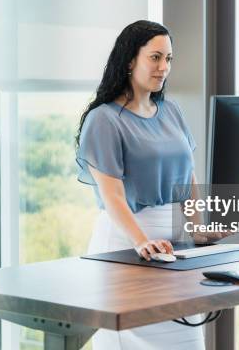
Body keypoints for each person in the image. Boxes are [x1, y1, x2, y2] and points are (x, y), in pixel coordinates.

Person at [75, 20, 227, 350]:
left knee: (187, 340)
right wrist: (142, 241)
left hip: (173, 246)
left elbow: (189, 177)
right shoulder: (103, 119)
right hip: (127, 242)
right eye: (155, 57)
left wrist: (198, 229)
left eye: (169, 59)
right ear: (131, 60)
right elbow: (112, 196)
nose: (164, 68)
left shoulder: (171, 112)